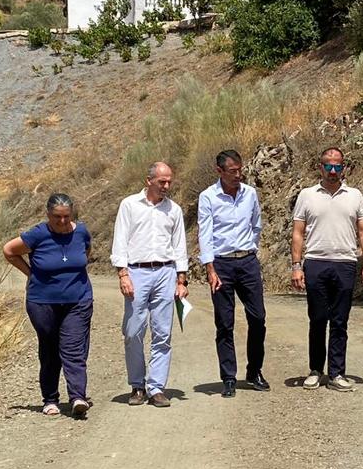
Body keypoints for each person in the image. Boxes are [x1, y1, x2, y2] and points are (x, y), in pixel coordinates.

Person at [2, 193, 94, 418]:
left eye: (66, 217)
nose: (62, 222)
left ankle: (78, 397)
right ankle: (50, 399)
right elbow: (9, 251)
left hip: (78, 300)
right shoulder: (38, 235)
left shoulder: (81, 232)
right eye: (56, 217)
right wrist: (30, 273)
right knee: (50, 348)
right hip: (42, 302)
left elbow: (86, 252)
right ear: (48, 215)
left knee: (73, 349)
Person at [290, 146, 363, 392]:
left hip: (345, 263)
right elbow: (297, 232)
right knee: (317, 319)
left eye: (338, 166)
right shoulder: (307, 195)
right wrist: (296, 266)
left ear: (344, 167)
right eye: (328, 165)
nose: (333, 170)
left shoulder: (355, 195)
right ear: (320, 167)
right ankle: (316, 370)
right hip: (315, 262)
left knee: (340, 321)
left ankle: (337, 373)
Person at [111, 162, 189, 408]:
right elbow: (120, 240)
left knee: (162, 333)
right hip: (137, 272)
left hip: (165, 272)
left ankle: (156, 387)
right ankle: (137, 385)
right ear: (149, 181)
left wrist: (181, 279)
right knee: (133, 331)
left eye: (169, 182)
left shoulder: (173, 210)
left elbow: (180, 246)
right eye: (161, 182)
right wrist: (123, 274)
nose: (166, 186)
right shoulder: (130, 205)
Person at [197, 149, 268, 398]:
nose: (238, 175)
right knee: (224, 323)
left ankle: (254, 371)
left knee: (258, 318)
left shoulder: (250, 194)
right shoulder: (208, 197)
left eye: (240, 170)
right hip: (222, 265)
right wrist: (210, 268)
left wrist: (251, 249)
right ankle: (228, 377)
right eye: (232, 171)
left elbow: (256, 225)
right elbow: (205, 234)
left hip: (247, 262)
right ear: (220, 171)